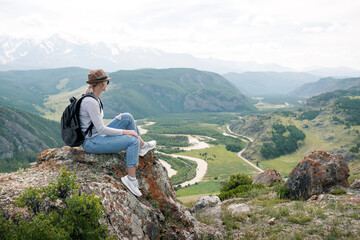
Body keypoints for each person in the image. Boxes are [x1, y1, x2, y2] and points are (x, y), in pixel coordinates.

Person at [79, 69, 156, 197]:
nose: (106, 85)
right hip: (92, 142)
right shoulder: (91, 101)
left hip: (96, 136)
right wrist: (126, 132)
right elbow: (101, 129)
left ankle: (142, 147)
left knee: (126, 117)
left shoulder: (93, 97)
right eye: (106, 82)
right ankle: (131, 180)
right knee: (132, 140)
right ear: (101, 84)